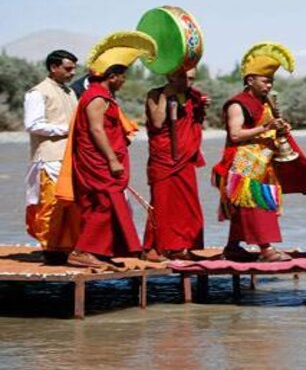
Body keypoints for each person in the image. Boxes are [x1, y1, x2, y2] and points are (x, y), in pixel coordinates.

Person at [56, 32, 158, 268]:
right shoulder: (96, 97)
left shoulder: (103, 95)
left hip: (102, 159)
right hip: (97, 161)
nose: (124, 81)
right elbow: (96, 130)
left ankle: (100, 251)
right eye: (122, 77)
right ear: (112, 76)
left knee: (105, 204)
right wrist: (112, 159)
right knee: (101, 203)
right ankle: (82, 251)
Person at [211, 42, 306, 262]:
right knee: (254, 204)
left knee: (249, 207)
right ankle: (266, 250)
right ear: (250, 80)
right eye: (265, 81)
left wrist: (281, 129)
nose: (269, 86)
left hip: (264, 160)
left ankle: (232, 248)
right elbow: (236, 135)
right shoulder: (238, 104)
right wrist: (266, 128)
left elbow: (269, 128)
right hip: (244, 162)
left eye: (271, 82)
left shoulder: (265, 103)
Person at [142, 68, 208, 261]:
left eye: (191, 78)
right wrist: (165, 97)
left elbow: (194, 123)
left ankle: (181, 246)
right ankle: (154, 248)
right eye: (182, 77)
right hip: (164, 157)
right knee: (161, 203)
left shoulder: (193, 95)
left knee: (187, 204)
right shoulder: (155, 94)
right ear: (169, 75)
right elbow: (156, 122)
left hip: (184, 157)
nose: (187, 82)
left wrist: (201, 109)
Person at [23, 49, 81, 265]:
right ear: (53, 67)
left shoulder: (69, 92)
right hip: (48, 157)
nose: (72, 73)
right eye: (68, 68)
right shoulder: (38, 92)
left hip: (68, 156)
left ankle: (66, 246)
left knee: (70, 204)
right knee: (50, 204)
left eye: (74, 68)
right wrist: (65, 129)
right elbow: (32, 124)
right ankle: (50, 248)